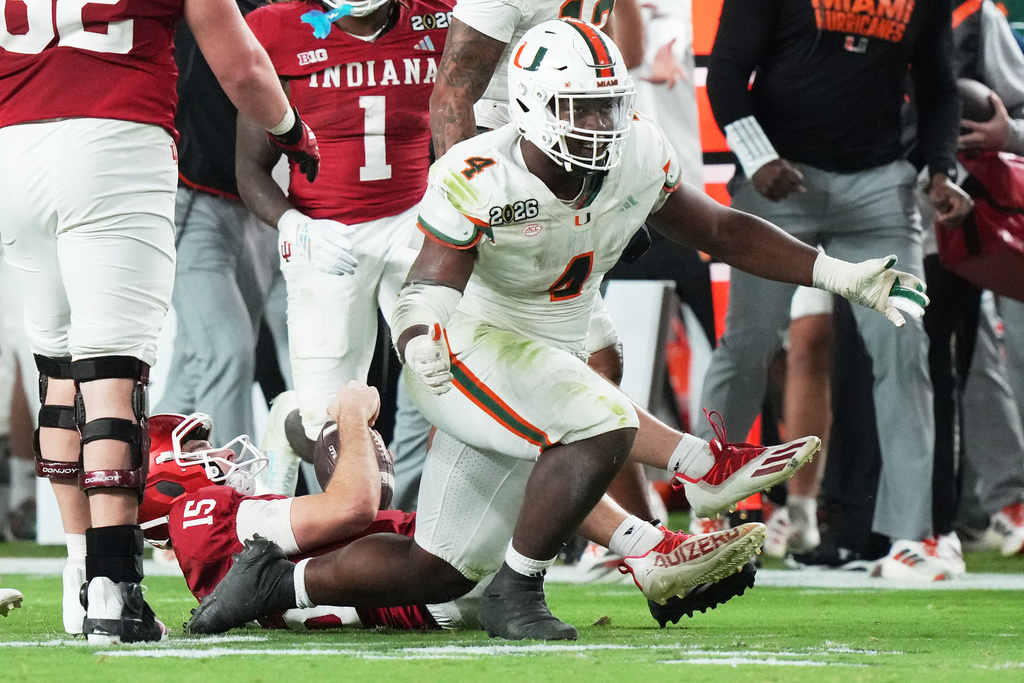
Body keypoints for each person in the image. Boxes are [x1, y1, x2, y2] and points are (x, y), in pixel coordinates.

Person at [187, 19, 924, 641]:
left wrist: (837, 272)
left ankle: (278, 579)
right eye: (583, 108)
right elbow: (432, 278)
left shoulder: (635, 151)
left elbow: (722, 229)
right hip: (467, 350)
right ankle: (539, 578)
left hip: (543, 357)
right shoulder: (481, 171)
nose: (601, 125)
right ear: (535, 105)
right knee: (597, 419)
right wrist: (420, 338)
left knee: (441, 569)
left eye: (607, 107)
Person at [0, 0, 320, 644]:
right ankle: (114, 586)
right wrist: (291, 131)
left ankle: (78, 572)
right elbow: (242, 66)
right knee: (112, 374)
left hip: (15, 148)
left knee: (59, 374)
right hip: (115, 142)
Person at [700, 0, 973, 580]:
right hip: (778, 182)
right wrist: (758, 157)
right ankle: (705, 514)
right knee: (748, 345)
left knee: (905, 345)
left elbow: (938, 86)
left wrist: (941, 170)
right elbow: (726, 73)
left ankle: (913, 538)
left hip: (879, 187)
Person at [140, 381, 764, 630]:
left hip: (422, 590)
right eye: (195, 448)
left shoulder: (215, 542)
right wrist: (353, 412)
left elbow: (364, 508)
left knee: (520, 426)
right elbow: (354, 507)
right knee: (508, 413)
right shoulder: (206, 515)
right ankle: (651, 542)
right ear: (162, 480)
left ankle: (649, 547)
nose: (217, 453)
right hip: (422, 581)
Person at [234, 0, 453, 499]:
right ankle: (291, 425)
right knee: (326, 426)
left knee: (451, 373)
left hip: (414, 220)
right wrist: (294, 225)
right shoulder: (277, 28)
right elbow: (250, 168)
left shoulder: (440, 16)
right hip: (325, 230)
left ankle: (421, 526)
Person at [155, 0, 287, 448]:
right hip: (189, 198)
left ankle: (142, 490)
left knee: (197, 362)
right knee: (225, 352)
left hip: (255, 205)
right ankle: (227, 503)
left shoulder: (286, 10)